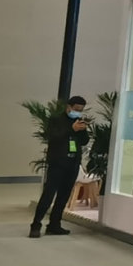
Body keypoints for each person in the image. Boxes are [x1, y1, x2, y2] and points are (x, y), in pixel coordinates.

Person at [31, 96, 89, 238]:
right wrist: (71, 129)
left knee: (63, 196)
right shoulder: (56, 120)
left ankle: (54, 224)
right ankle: (36, 225)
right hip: (58, 162)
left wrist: (82, 130)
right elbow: (54, 137)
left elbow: (84, 141)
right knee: (48, 194)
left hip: (73, 163)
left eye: (81, 110)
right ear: (68, 107)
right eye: (76, 109)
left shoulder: (78, 121)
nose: (78, 112)